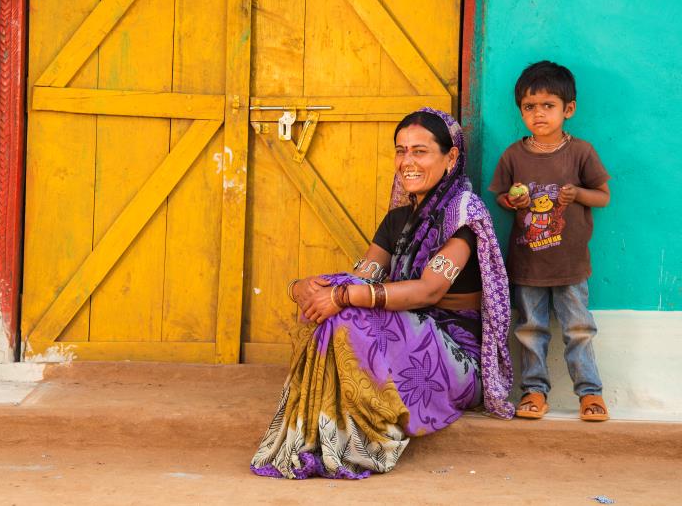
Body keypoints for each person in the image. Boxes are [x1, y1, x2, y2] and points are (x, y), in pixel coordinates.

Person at [251, 108, 514, 480]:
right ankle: (331, 432)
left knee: (345, 303)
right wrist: (303, 289)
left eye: (420, 151)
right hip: (412, 340)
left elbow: (427, 291)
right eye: (401, 150)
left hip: (457, 362)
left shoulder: (462, 217)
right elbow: (361, 278)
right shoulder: (397, 221)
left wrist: (343, 296)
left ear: (451, 158)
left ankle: (361, 434)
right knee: (333, 303)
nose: (407, 161)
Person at [487, 60, 611, 422]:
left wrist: (578, 195)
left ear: (567, 109)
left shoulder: (581, 152)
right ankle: (534, 392)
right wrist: (513, 201)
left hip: (571, 264)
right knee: (529, 329)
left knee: (579, 329)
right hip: (527, 263)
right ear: (521, 111)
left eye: (548, 105)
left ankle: (590, 394)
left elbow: (602, 195)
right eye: (529, 106)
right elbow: (500, 198)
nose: (538, 114)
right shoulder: (513, 155)